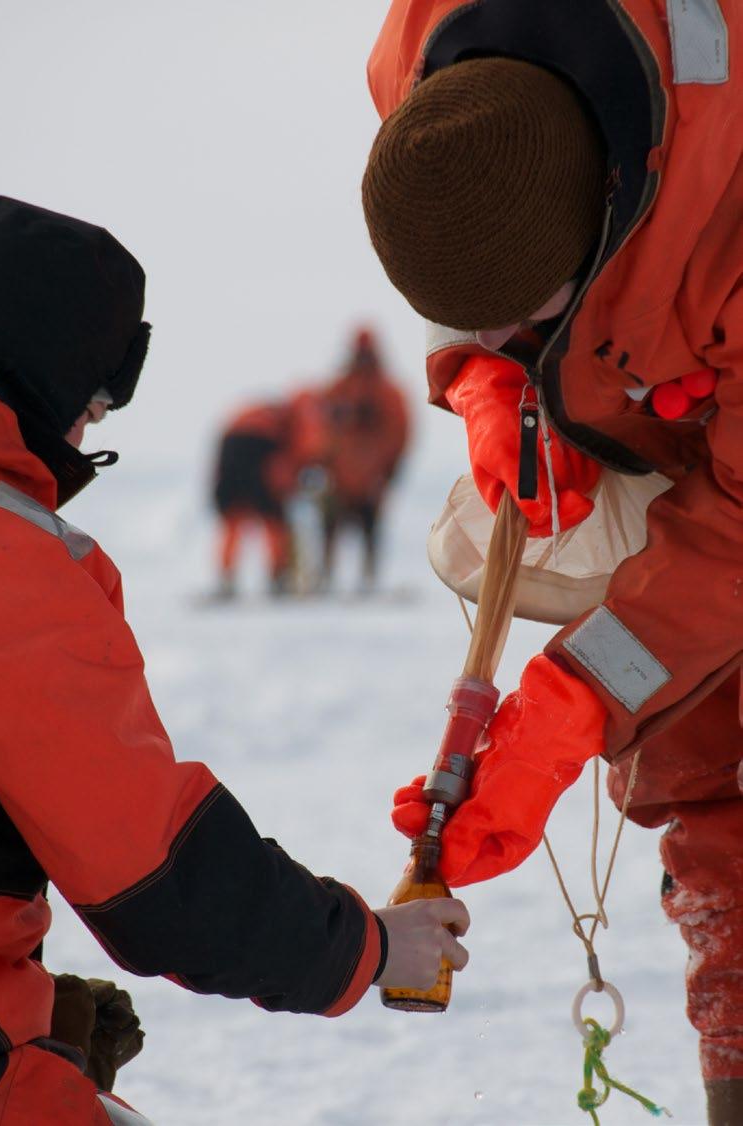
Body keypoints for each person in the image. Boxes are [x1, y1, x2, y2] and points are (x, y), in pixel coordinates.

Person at [0, 195, 471, 1124]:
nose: (85, 436)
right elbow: (157, 879)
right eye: (90, 406)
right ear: (38, 375)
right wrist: (368, 948)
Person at [361, 5, 743, 1123]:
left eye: (522, 312)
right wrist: (488, 379)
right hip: (653, 381)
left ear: (608, 217)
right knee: (696, 744)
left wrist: (573, 703)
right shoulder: (419, 66)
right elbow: (465, 216)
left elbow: (730, 535)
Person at [319, 327, 410, 592]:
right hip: (347, 478)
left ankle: (363, 579)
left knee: (363, 530)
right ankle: (335, 578)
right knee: (335, 528)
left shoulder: (376, 391)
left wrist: (388, 472)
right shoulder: (346, 388)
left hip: (363, 477)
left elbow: (398, 433)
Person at [210, 389, 325, 597]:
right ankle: (278, 577)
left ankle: (226, 579)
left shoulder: (265, 412)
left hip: (230, 445)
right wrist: (290, 485)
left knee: (232, 515)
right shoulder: (299, 418)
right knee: (273, 516)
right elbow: (304, 451)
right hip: (261, 447)